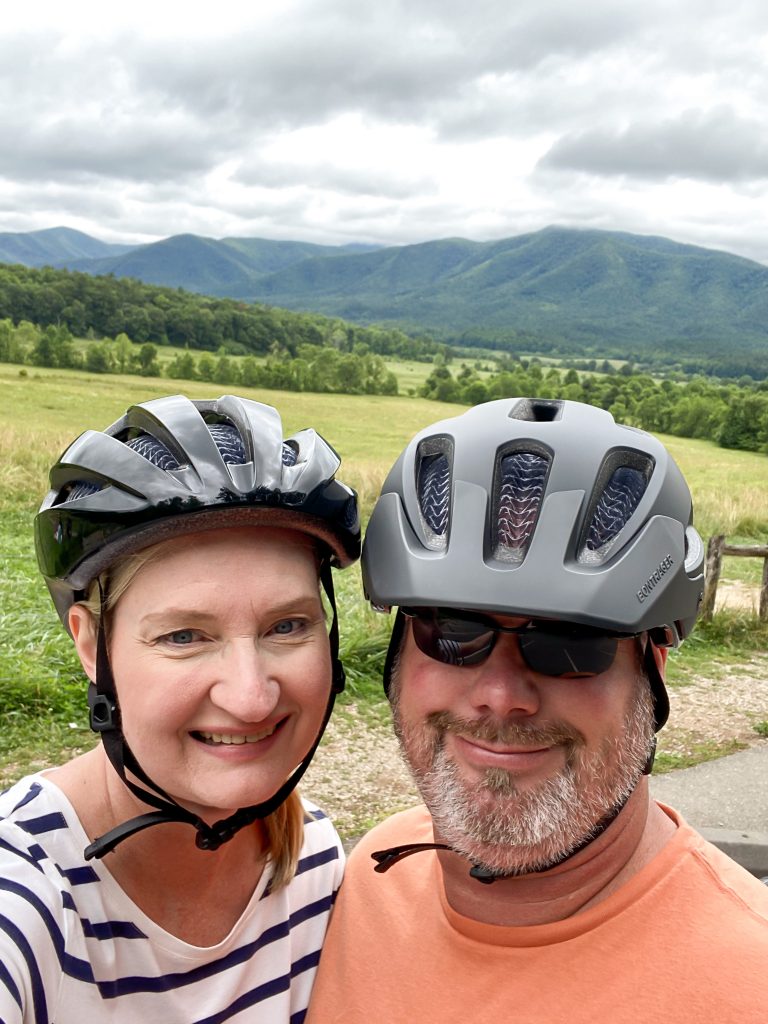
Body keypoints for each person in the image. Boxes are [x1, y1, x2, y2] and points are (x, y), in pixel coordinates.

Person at [307, 397, 768, 1023]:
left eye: (570, 642)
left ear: (653, 670)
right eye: (451, 629)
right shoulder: (374, 873)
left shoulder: (749, 982)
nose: (501, 695)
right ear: (396, 659)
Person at [0, 393, 360, 1023]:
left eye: (288, 626)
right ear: (93, 647)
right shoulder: (25, 901)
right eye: (184, 636)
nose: (251, 697)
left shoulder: (316, 866)